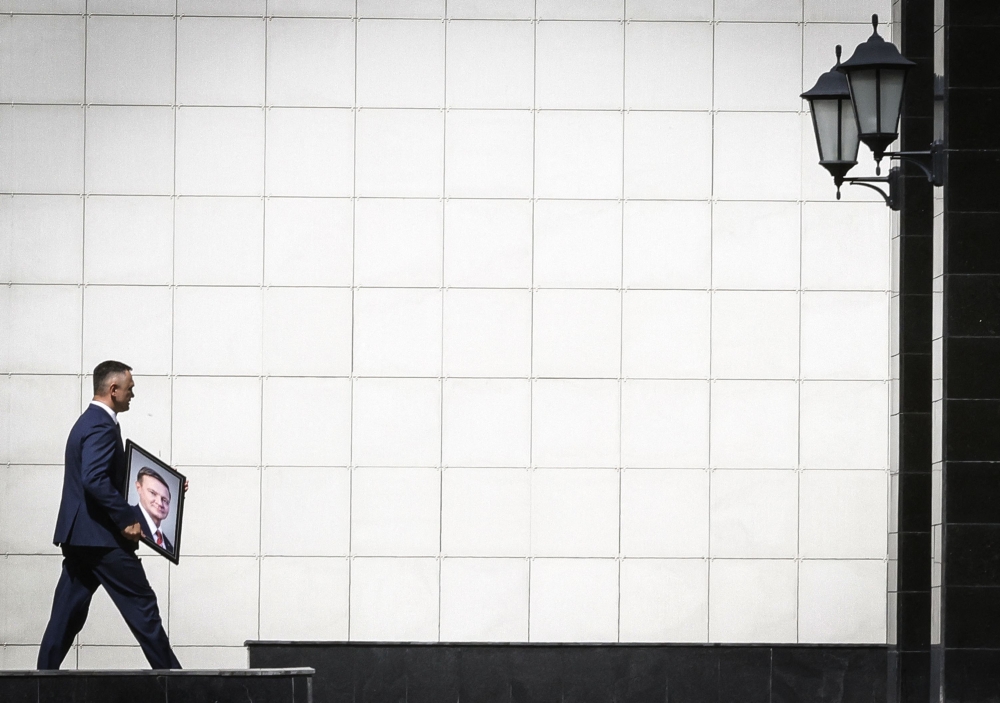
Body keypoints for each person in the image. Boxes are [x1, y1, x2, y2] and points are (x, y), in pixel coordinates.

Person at [37, 360, 182, 670]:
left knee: (65, 618)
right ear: (113, 389)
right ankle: (178, 684)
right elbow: (94, 479)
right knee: (143, 609)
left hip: (82, 538)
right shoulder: (101, 425)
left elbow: (110, 477)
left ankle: (39, 683)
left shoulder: (89, 422)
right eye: (129, 389)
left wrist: (171, 485)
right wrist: (127, 519)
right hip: (102, 540)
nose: (133, 394)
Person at [132, 467, 174, 553]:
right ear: (138, 487)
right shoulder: (128, 519)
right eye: (153, 493)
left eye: (164, 500)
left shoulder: (169, 547)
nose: (160, 503)